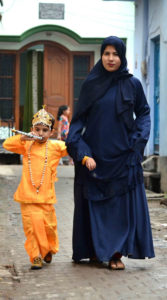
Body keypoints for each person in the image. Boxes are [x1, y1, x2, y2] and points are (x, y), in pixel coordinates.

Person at [66, 36, 155, 270]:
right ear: (101, 55)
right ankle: (95, 251)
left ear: (122, 56)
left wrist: (137, 142)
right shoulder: (90, 85)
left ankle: (115, 254)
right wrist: (82, 151)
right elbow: (77, 124)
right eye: (106, 53)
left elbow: (144, 114)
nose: (111, 58)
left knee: (118, 210)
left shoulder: (132, 84)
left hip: (122, 158)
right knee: (95, 207)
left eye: (115, 54)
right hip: (95, 159)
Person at [3, 106, 68, 270]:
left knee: (48, 227)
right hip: (27, 196)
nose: (40, 133)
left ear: (51, 132)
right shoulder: (27, 145)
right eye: (37, 129)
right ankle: (35, 256)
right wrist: (23, 139)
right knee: (31, 228)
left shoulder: (55, 147)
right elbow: (7, 144)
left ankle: (47, 249)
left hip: (46, 197)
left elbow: (74, 148)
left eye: (45, 130)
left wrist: (86, 157)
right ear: (32, 130)